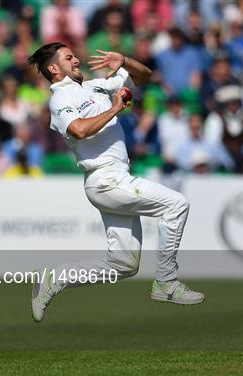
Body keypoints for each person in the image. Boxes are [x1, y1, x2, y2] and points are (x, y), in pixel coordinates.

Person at [27, 43, 204, 322]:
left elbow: (145, 76)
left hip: (116, 177)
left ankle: (55, 278)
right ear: (53, 68)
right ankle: (167, 283)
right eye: (68, 57)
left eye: (74, 55)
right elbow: (79, 130)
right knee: (177, 205)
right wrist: (115, 108)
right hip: (104, 179)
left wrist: (125, 60)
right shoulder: (60, 99)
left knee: (123, 264)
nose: (76, 60)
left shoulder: (96, 86)